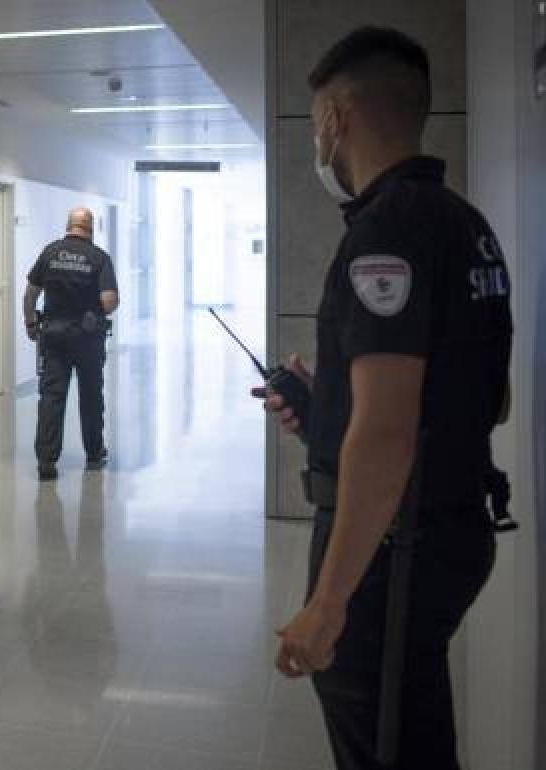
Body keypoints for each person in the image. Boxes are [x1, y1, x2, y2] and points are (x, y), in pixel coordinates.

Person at [259, 28, 512, 769]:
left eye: (314, 122)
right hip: (452, 520)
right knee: (415, 729)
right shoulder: (465, 225)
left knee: (385, 745)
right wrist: (325, 405)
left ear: (335, 119)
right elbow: (481, 398)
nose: (317, 140)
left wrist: (328, 603)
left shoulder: (386, 230)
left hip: (395, 552)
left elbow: (389, 429)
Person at [24, 207, 119, 481]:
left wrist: (31, 324)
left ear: (69, 225)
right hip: (88, 339)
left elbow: (30, 294)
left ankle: (46, 461)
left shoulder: (50, 252)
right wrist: (98, 308)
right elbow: (109, 301)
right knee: (91, 396)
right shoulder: (99, 258)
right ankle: (93, 453)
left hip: (53, 337)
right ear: (90, 228)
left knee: (52, 397)